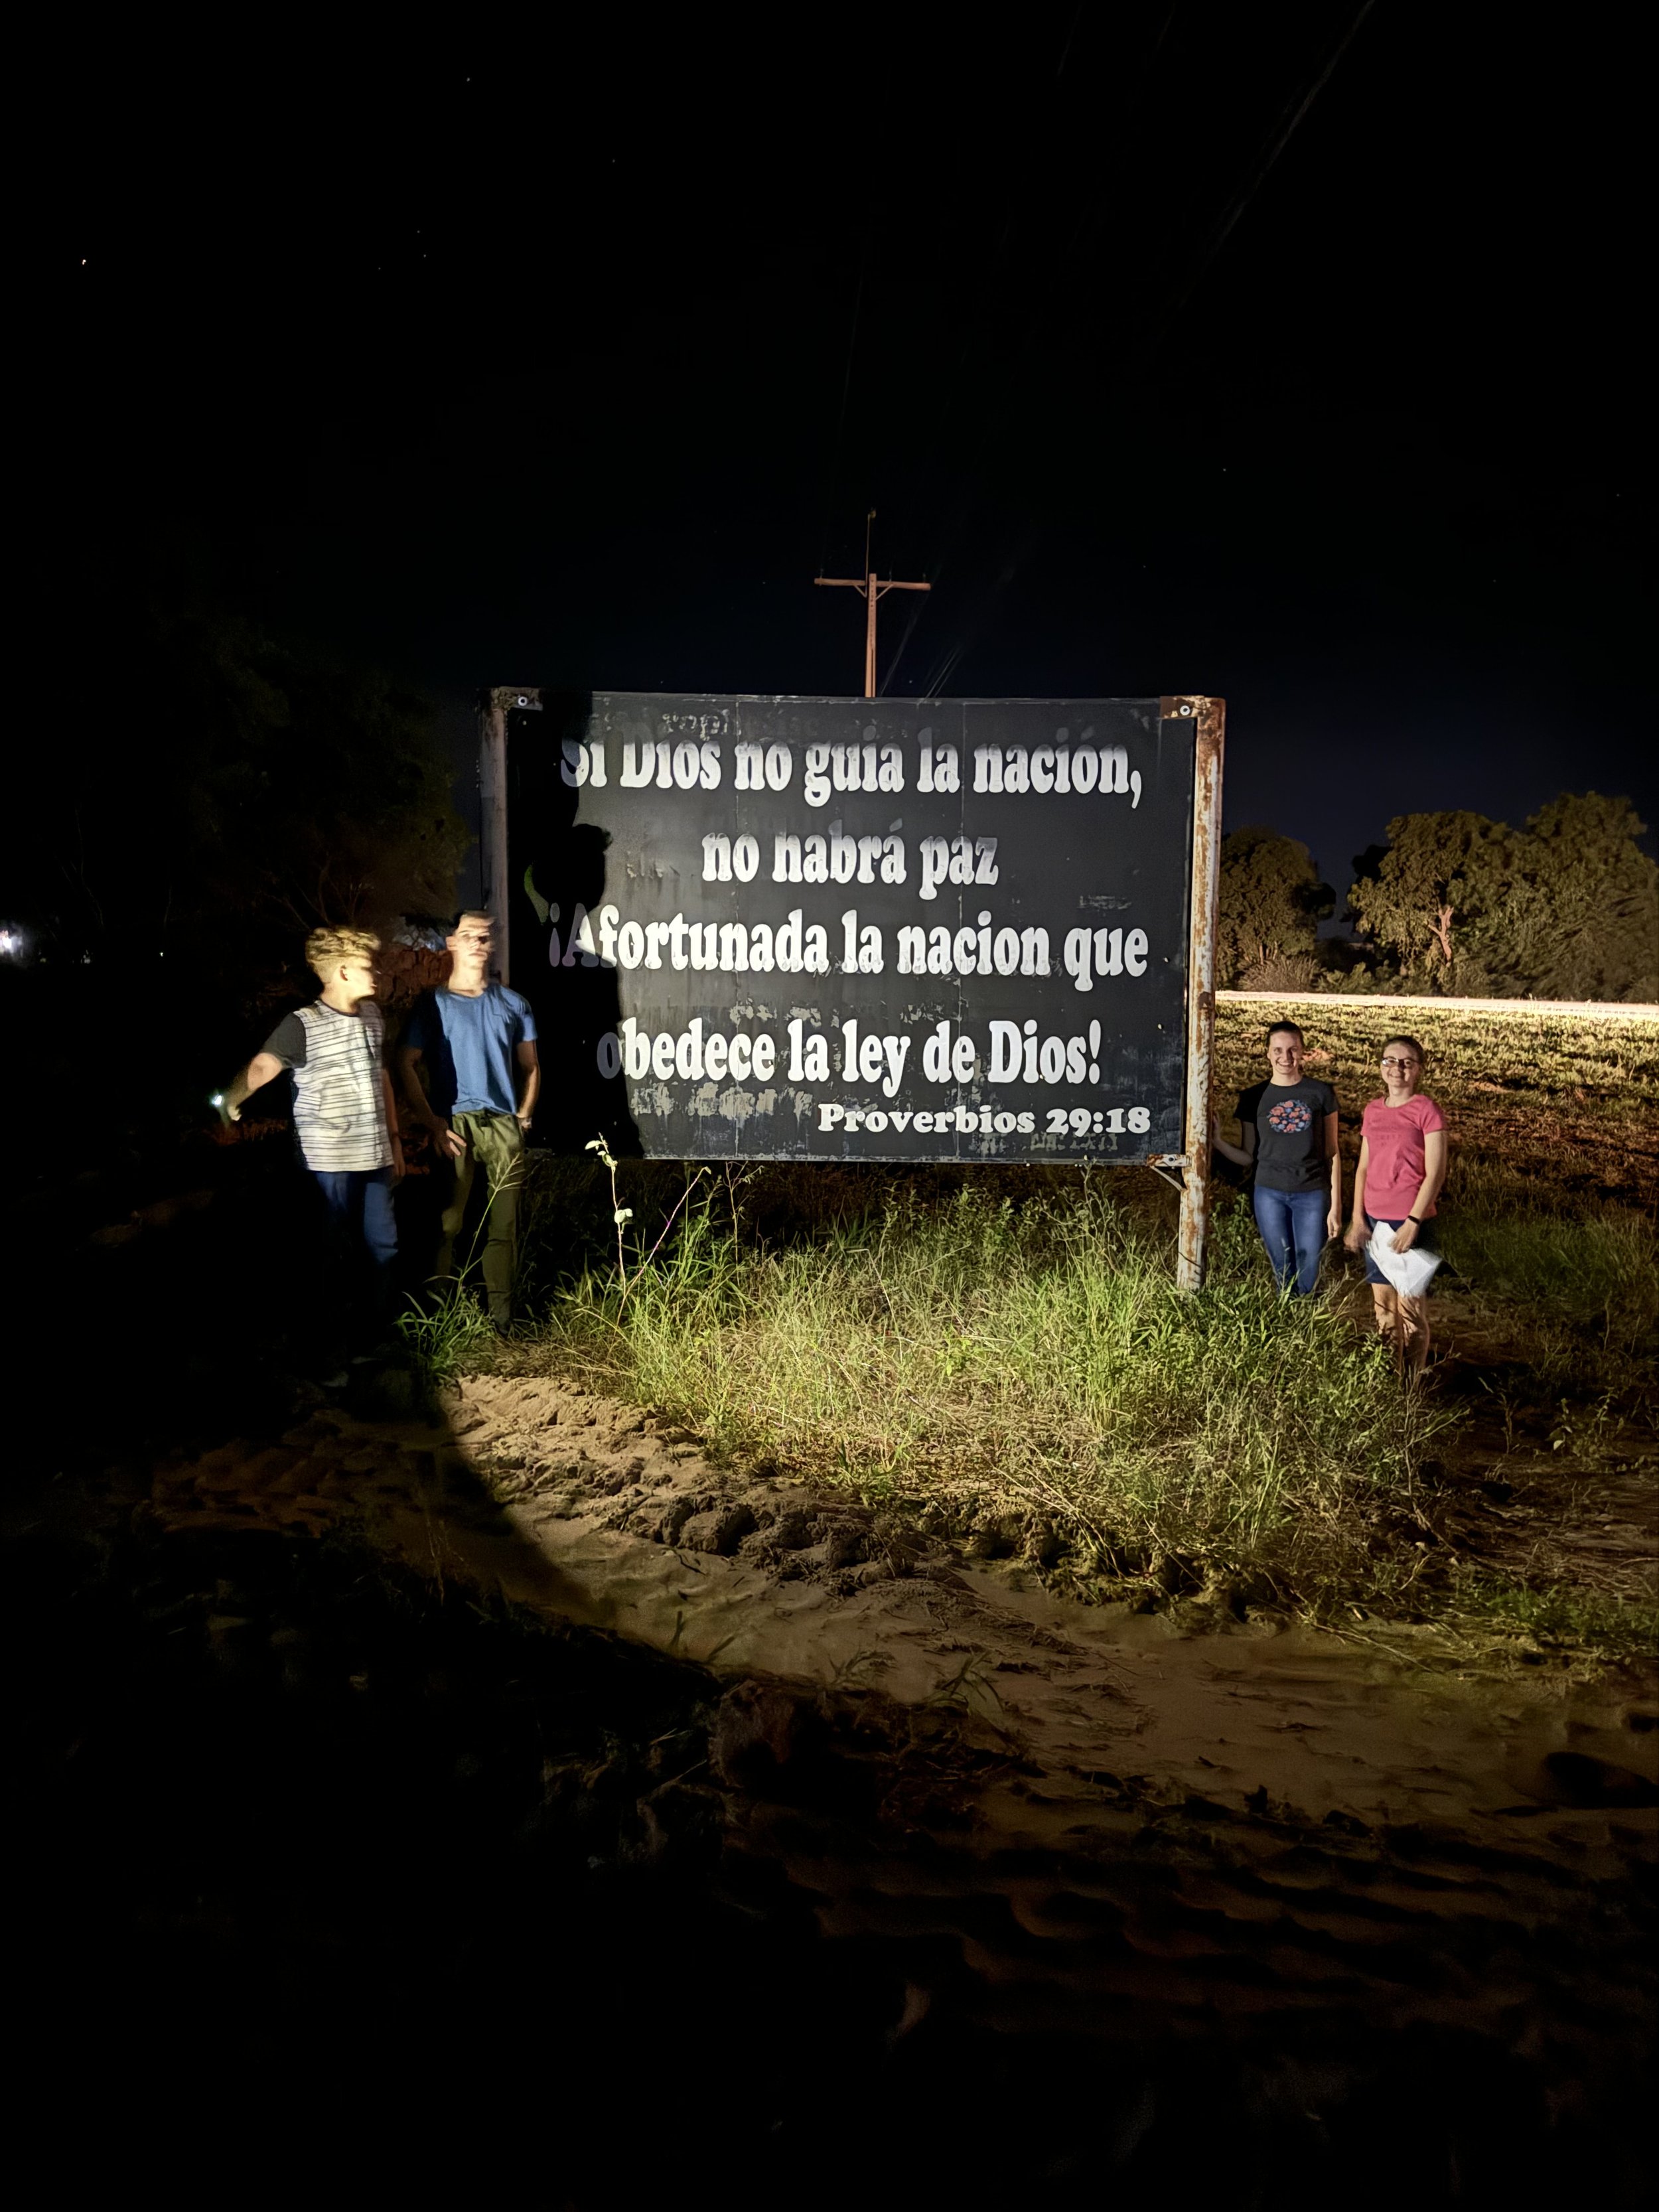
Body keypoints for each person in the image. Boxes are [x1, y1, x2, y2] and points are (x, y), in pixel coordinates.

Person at [223, 925, 404, 1347]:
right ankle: (327, 1348)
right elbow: (263, 1067)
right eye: (366, 965)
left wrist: (394, 1140)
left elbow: (383, 1077)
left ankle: (377, 1343)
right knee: (330, 1256)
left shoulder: (374, 1018)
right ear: (342, 972)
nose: (376, 971)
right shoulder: (304, 1023)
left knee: (384, 1248)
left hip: (374, 1156)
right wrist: (231, 1098)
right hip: (329, 1163)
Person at [397, 909, 540, 1331]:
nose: (479, 942)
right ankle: (438, 1315)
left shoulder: (515, 1004)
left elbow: (531, 1066)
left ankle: (501, 1318)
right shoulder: (433, 1004)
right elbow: (405, 1063)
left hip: (502, 1124)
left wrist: (524, 1116)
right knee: (448, 1222)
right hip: (455, 1123)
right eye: (469, 935)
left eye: (486, 936)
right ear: (452, 943)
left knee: (505, 1223)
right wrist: (433, 1123)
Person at [1212, 1021, 1341, 1295]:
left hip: (1312, 1192)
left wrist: (1335, 1206)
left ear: (1303, 1051)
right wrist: (1218, 1142)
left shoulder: (1321, 1093)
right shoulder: (1253, 1098)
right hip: (1269, 1193)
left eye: (1293, 1049)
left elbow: (1333, 1152)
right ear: (1268, 1054)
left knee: (1309, 1264)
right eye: (1279, 1050)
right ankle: (1287, 1320)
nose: (1286, 1057)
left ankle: (1306, 1320)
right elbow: (1249, 1157)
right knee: (1281, 1264)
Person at [1344, 1033, 1447, 1373]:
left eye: (1406, 1062)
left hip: (1411, 1224)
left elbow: (1435, 1173)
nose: (1397, 1068)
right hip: (1376, 1222)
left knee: (1411, 1311)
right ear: (1380, 1067)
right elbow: (1362, 1169)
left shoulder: (1427, 1110)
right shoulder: (1373, 1111)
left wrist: (1413, 1222)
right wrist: (1358, 1219)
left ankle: (1412, 1385)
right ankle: (1391, 1381)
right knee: (1383, 1311)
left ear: (1418, 1070)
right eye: (1390, 1060)